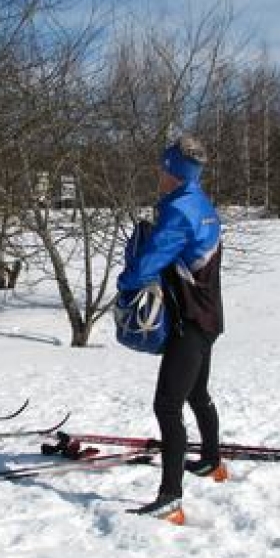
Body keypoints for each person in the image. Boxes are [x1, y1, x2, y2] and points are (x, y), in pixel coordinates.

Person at [116, 134, 225, 525]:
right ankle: (212, 461)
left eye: (163, 168)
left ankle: (170, 499)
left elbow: (147, 265)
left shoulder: (179, 212)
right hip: (210, 318)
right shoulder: (201, 203)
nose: (158, 174)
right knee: (197, 392)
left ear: (175, 172)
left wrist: (125, 283)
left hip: (190, 324)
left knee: (167, 405)